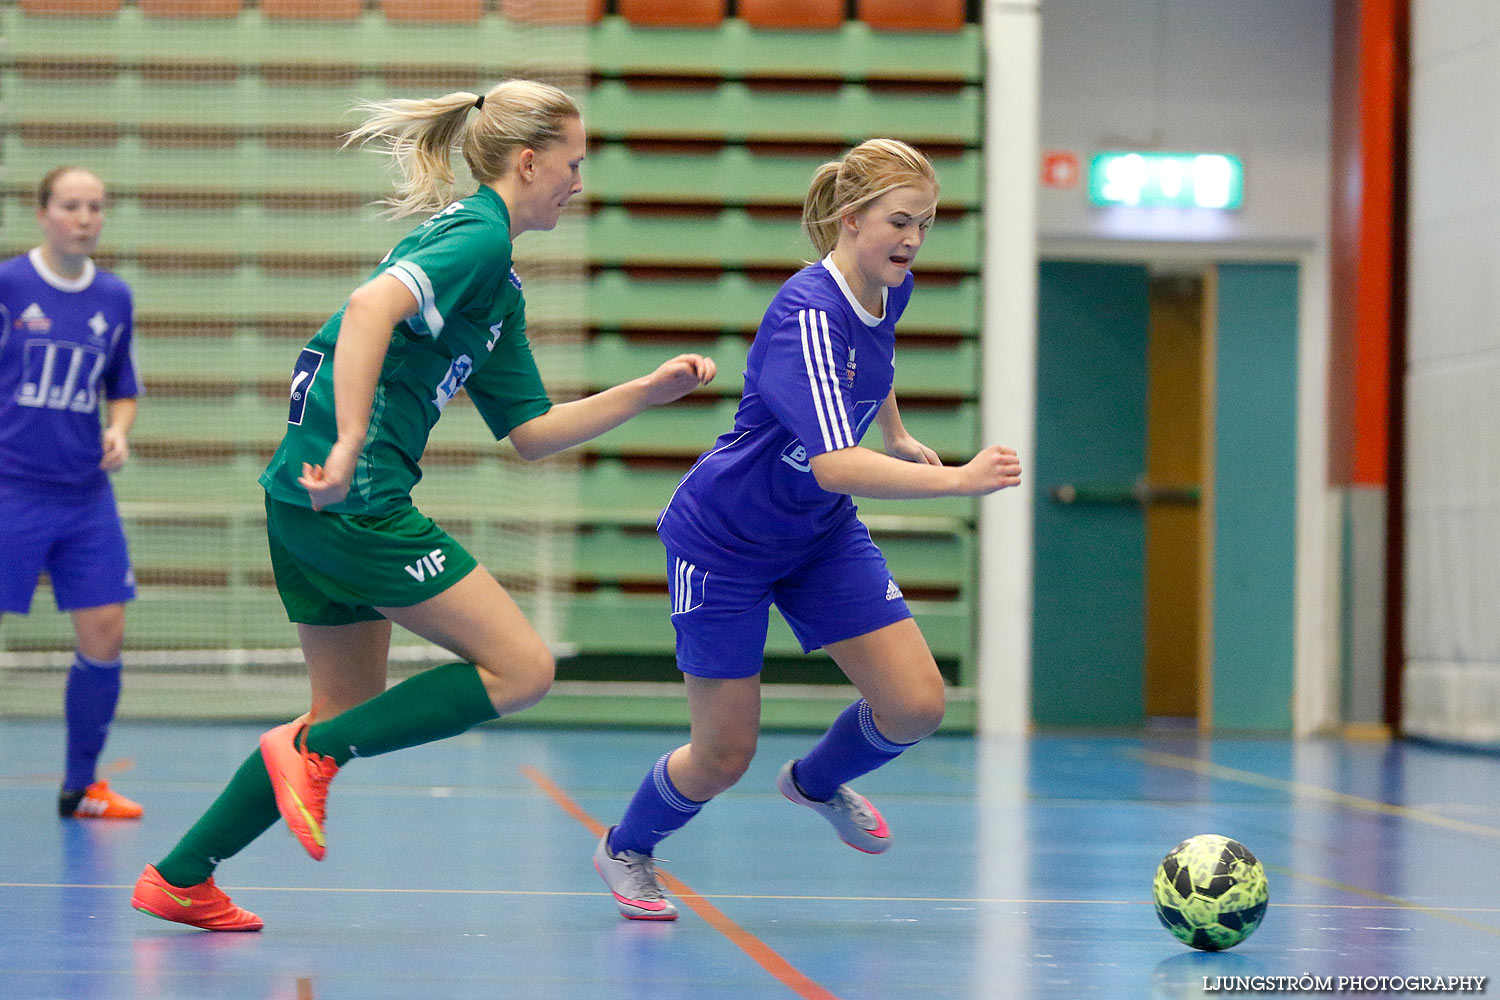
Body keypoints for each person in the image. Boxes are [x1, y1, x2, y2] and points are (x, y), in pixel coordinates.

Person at [129, 79, 716, 932]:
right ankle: (306, 756)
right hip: (352, 497)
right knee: (523, 668)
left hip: (307, 505)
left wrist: (645, 391)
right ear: (527, 161)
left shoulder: (495, 280)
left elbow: (532, 431)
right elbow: (369, 308)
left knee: (341, 716)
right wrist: (346, 441)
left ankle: (182, 876)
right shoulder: (476, 235)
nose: (579, 183)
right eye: (573, 164)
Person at [593, 138, 1022, 920]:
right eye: (900, 221)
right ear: (850, 219)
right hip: (723, 541)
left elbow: (875, 367)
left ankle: (817, 781)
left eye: (926, 223)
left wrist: (893, 430)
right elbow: (833, 465)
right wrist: (956, 480)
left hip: (816, 535)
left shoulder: (890, 288)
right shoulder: (805, 316)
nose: (915, 240)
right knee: (723, 754)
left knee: (917, 706)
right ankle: (626, 845)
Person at [0, 166, 145, 822]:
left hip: (85, 496)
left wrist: (117, 430)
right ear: (43, 213)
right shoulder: (9, 285)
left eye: (96, 206)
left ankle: (82, 785)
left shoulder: (113, 297)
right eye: (71, 206)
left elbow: (120, 384)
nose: (85, 217)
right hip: (11, 488)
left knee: (105, 630)